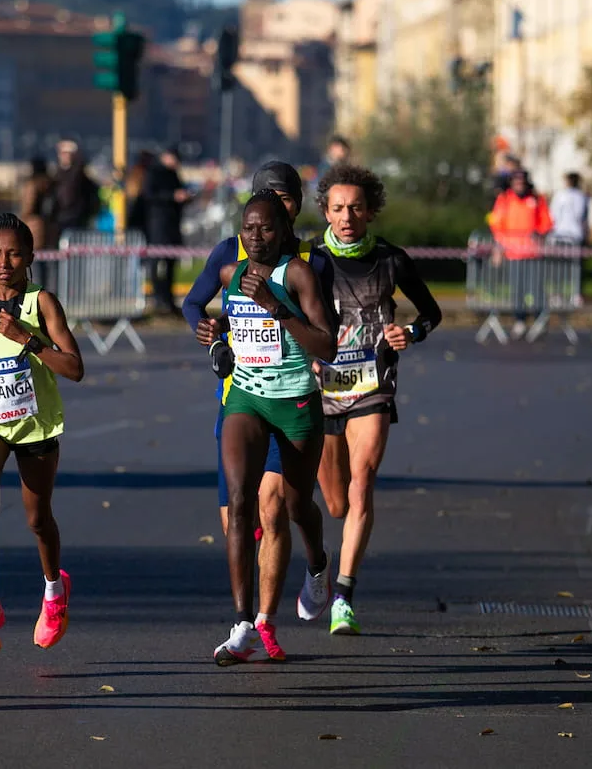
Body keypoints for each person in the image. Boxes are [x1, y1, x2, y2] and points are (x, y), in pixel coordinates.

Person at [182, 162, 337, 644]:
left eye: (271, 218)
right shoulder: (230, 264)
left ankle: (316, 565)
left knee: (293, 506)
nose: (256, 234)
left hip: (295, 401)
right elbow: (203, 310)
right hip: (244, 398)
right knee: (244, 502)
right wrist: (212, 336)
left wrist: (276, 309)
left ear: (290, 216)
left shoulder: (305, 269)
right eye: (249, 225)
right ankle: (245, 624)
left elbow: (326, 344)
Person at [312, 165, 442, 635]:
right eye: (339, 208)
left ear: (371, 211)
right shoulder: (311, 260)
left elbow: (431, 312)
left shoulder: (392, 260)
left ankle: (343, 596)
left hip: (372, 385)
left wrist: (408, 331)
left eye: (357, 208)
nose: (348, 216)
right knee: (336, 504)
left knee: (362, 483)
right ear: (325, 211)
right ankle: (322, 565)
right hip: (323, 387)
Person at [0, 213, 85, 655]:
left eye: (13, 254)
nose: (3, 262)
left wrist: (28, 340)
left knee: (36, 517)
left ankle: (53, 592)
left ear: (29, 257)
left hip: (33, 422)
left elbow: (75, 368)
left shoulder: (42, 302)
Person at [487, 167, 553, 338]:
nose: (519, 185)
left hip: (533, 252)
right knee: (518, 289)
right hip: (513, 253)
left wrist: (541, 232)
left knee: (536, 287)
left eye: (521, 182)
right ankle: (520, 321)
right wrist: (499, 247)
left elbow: (546, 221)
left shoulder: (537, 199)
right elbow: (497, 224)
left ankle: (540, 320)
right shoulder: (505, 200)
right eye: (516, 182)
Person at [145, 147, 190, 315]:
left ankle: (168, 299)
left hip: (172, 225)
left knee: (171, 262)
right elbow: (150, 195)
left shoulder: (174, 174)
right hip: (159, 226)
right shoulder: (154, 173)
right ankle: (158, 298)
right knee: (157, 263)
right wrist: (172, 196)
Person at [550, 172, 588, 245]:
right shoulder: (581, 196)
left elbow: (553, 213)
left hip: (559, 232)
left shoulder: (559, 195)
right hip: (575, 233)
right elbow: (580, 214)